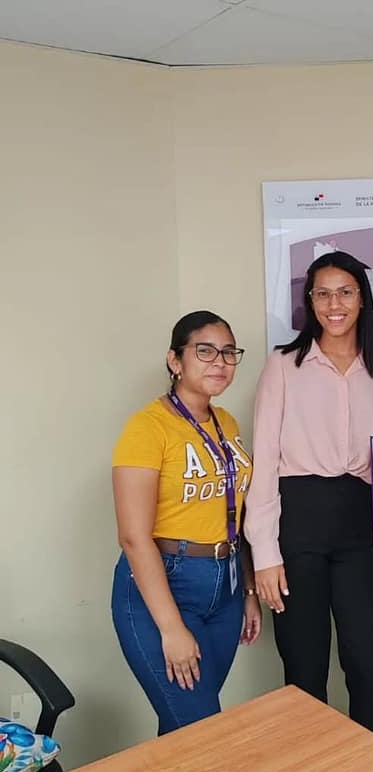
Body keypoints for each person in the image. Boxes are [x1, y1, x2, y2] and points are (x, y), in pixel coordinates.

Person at [245, 251, 373, 740]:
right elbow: (264, 460)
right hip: (298, 523)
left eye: (346, 292)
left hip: (361, 526)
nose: (335, 304)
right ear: (310, 302)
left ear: (363, 299)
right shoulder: (284, 365)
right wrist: (265, 553)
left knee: (371, 665)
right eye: (323, 294)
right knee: (304, 670)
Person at [111, 311, 261, 735]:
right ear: (175, 360)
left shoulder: (226, 423)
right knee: (201, 734)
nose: (220, 362)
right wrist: (171, 627)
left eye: (228, 352)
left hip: (226, 587)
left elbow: (235, 514)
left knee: (184, 730)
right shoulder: (148, 427)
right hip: (167, 584)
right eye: (205, 351)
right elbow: (133, 537)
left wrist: (248, 590)